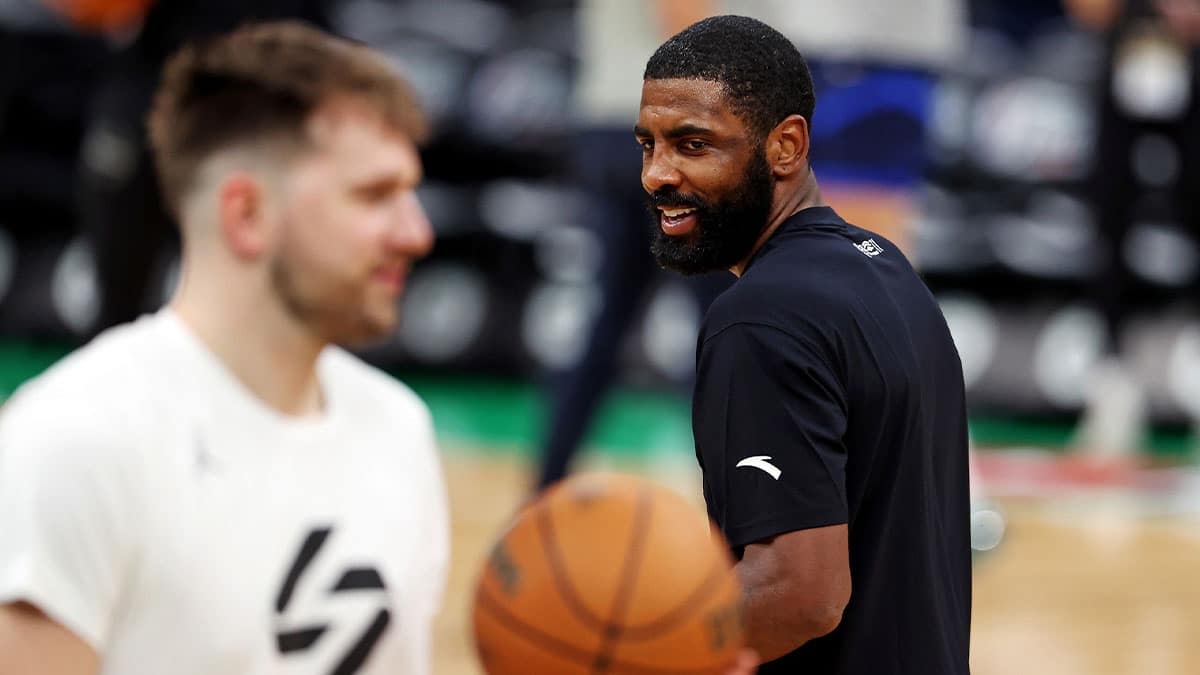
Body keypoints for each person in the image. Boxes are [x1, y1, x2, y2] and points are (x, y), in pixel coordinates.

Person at [0, 21, 448, 675]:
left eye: (411, 193)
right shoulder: (76, 439)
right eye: (375, 195)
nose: (417, 232)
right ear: (245, 214)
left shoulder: (399, 428)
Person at [634, 16, 971, 674]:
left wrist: (643, 648)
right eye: (647, 144)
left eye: (692, 144)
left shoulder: (761, 319)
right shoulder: (887, 269)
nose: (656, 173)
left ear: (785, 146)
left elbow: (803, 592)